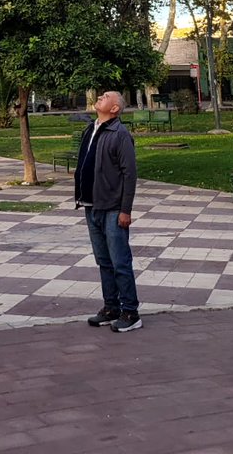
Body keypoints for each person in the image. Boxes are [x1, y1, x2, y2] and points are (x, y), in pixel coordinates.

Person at [74, 89, 142, 332]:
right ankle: (111, 306)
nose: (100, 98)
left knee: (120, 261)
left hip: (113, 208)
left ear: (115, 109)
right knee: (103, 261)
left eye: (105, 97)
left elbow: (129, 174)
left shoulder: (120, 134)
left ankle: (131, 312)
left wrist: (126, 210)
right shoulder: (92, 129)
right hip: (91, 205)